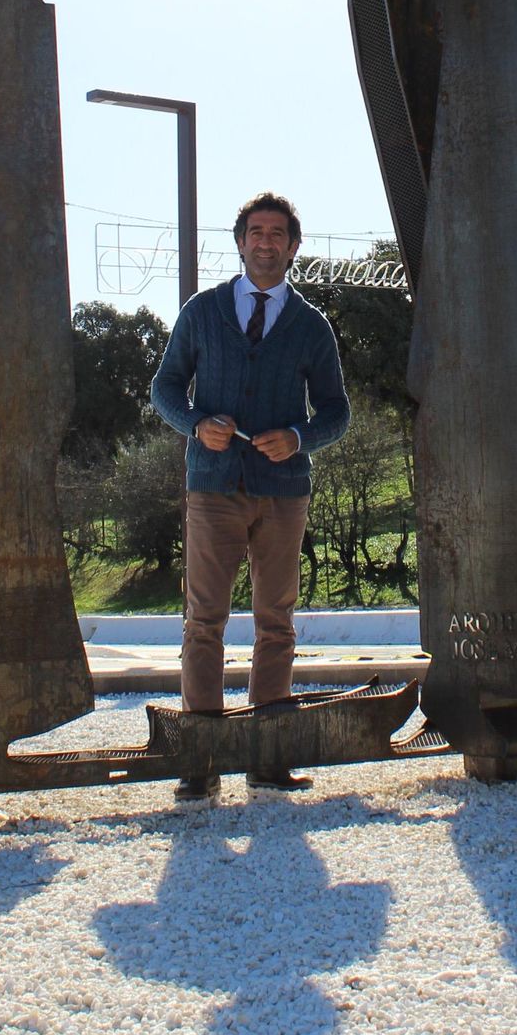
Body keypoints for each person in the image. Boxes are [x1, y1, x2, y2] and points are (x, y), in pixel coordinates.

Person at [151, 191, 350, 799]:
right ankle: (200, 761)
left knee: (276, 622)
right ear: (240, 242)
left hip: (283, 493)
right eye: (256, 232)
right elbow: (164, 388)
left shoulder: (312, 326)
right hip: (212, 489)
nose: (266, 243)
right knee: (203, 620)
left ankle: (269, 757)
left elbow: (337, 413)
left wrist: (299, 437)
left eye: (277, 234)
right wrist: (194, 425)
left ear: (293, 247)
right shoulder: (202, 311)